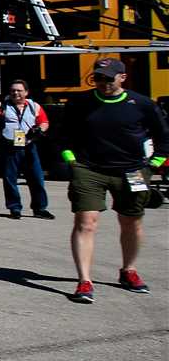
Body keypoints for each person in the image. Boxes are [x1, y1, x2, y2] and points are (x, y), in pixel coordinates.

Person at [57, 58, 168, 303]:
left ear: (122, 78)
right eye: (98, 78)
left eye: (109, 78)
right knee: (86, 222)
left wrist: (154, 165)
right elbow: (63, 136)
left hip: (133, 170)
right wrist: (72, 162)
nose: (103, 83)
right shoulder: (81, 103)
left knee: (131, 222)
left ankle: (129, 270)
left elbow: (163, 137)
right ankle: (84, 281)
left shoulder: (142, 104)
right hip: (89, 169)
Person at [0, 79, 52, 219]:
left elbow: (44, 122)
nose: (16, 93)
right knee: (10, 179)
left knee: (37, 178)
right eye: (13, 90)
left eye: (19, 90)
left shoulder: (35, 106)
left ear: (26, 92)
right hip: (9, 146)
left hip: (29, 145)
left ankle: (40, 208)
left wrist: (39, 129)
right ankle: (14, 208)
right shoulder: (1, 107)